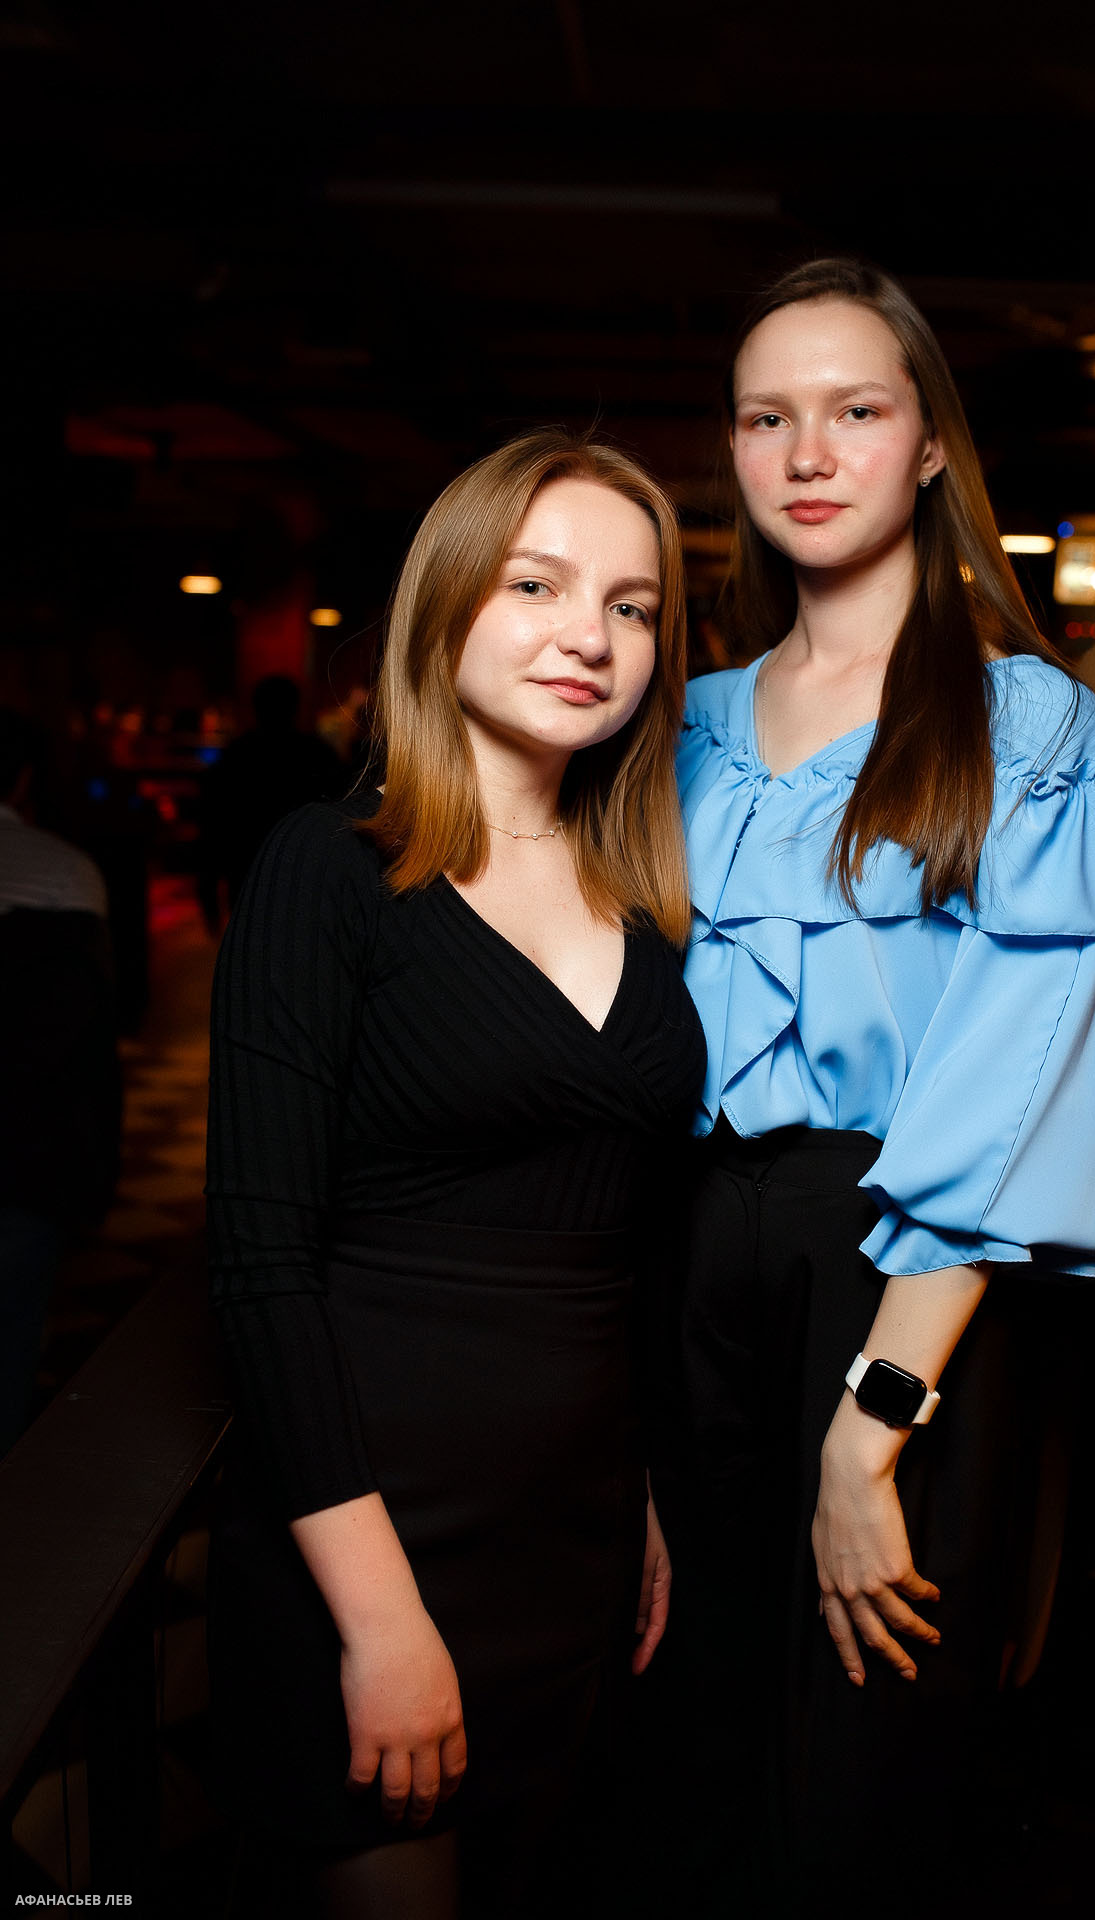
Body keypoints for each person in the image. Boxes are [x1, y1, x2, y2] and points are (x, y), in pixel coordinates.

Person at [667, 258, 1095, 1914]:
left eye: (856, 411)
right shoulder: (682, 725)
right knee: (698, 1768)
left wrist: (872, 1425)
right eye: (767, 418)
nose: (808, 453)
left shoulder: (1027, 725)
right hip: (689, 1276)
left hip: (910, 1289)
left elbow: (1016, 1090)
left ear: (930, 445)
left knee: (865, 1791)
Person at [205, 431, 705, 1920]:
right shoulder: (330, 868)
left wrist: (638, 1497)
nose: (587, 635)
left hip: (574, 1538)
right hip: (371, 1536)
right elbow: (260, 1271)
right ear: (445, 604)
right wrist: (379, 1623)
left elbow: (622, 1246)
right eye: (536, 584)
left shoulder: (646, 901)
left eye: (629, 605)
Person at [0, 709, 119, 1451]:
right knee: (12, 1339)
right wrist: (95, 1173)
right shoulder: (64, 873)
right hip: (23, 1148)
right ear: (24, 779)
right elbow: (87, 1046)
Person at [196, 673, 345, 932]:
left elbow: (213, 828)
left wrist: (208, 892)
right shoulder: (317, 756)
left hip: (249, 874)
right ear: (295, 707)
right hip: (304, 878)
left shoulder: (236, 757)